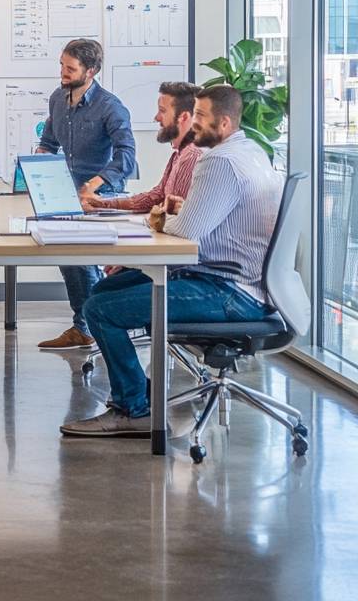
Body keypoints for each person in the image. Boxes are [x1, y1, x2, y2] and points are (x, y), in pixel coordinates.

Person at [60, 85, 284, 438]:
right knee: (104, 290)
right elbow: (204, 217)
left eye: (200, 118)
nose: (193, 125)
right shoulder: (249, 151)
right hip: (243, 283)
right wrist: (175, 212)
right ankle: (140, 392)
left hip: (228, 291)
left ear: (224, 123)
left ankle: (134, 411)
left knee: (101, 310)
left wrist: (160, 218)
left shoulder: (219, 160)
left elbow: (187, 231)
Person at [34, 39, 136, 351]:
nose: (63, 73)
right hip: (64, 192)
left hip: (100, 194)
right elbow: (49, 142)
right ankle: (85, 325)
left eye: (70, 68)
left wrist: (93, 185)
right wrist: (38, 162)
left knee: (78, 257)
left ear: (90, 71)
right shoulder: (57, 98)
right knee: (68, 257)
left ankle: (91, 325)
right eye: (62, 65)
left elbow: (127, 157)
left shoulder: (110, 106)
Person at [82, 81, 203, 215]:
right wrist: (102, 204)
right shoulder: (179, 155)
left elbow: (171, 213)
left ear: (184, 117)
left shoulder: (191, 156)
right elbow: (155, 197)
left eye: (162, 111)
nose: (156, 118)